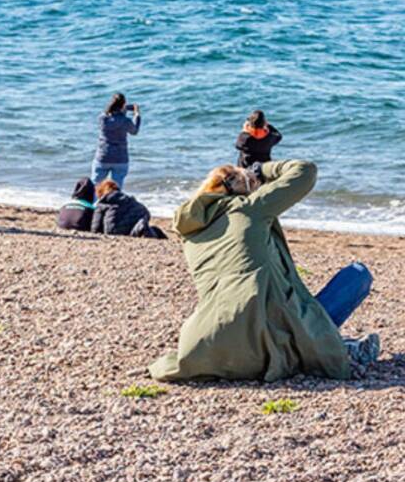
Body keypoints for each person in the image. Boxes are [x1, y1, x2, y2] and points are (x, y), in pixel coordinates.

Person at [149, 160, 379, 383]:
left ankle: (334, 342)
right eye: (254, 183)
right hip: (264, 338)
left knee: (283, 298)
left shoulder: (191, 233)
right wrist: (263, 169)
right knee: (357, 275)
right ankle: (340, 347)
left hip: (206, 344)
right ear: (244, 187)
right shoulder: (248, 208)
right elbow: (305, 171)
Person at [91, 93, 140, 188]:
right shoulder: (126, 121)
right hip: (120, 159)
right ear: (123, 105)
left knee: (95, 186)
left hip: (103, 156)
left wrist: (122, 108)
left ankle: (93, 202)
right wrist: (137, 115)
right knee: (116, 188)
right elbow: (134, 131)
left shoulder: (103, 118)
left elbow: (111, 115)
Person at [91, 179, 164, 238]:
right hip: (136, 219)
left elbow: (95, 229)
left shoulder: (102, 203)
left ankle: (139, 228)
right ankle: (140, 227)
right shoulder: (127, 198)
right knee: (155, 230)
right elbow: (146, 212)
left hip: (114, 231)